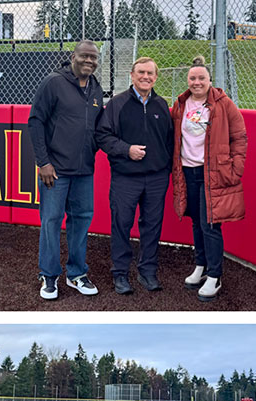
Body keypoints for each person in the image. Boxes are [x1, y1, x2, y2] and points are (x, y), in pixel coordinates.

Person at [28, 40, 104, 300]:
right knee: (51, 221)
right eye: (84, 56)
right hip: (55, 169)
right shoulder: (53, 82)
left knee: (81, 220)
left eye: (93, 58)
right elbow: (35, 121)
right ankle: (49, 276)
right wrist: (43, 162)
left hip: (84, 170)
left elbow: (96, 127)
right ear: (73, 56)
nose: (89, 61)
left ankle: (76, 273)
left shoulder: (96, 88)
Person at [171, 55, 247, 302]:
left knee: (211, 225)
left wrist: (235, 168)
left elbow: (240, 137)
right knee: (196, 222)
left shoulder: (224, 104)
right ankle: (201, 266)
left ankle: (215, 274)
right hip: (188, 171)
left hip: (212, 173)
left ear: (209, 80)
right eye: (192, 78)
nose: (196, 82)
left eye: (201, 78)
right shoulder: (181, 105)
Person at [95, 57, 173, 295]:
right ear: (132, 75)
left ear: (156, 77)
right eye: (141, 72)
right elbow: (103, 136)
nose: (145, 77)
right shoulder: (117, 104)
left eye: (150, 73)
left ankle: (147, 272)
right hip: (126, 177)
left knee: (152, 226)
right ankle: (120, 274)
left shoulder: (162, 105)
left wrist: (164, 168)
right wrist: (126, 150)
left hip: (157, 178)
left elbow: (169, 141)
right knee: (121, 225)